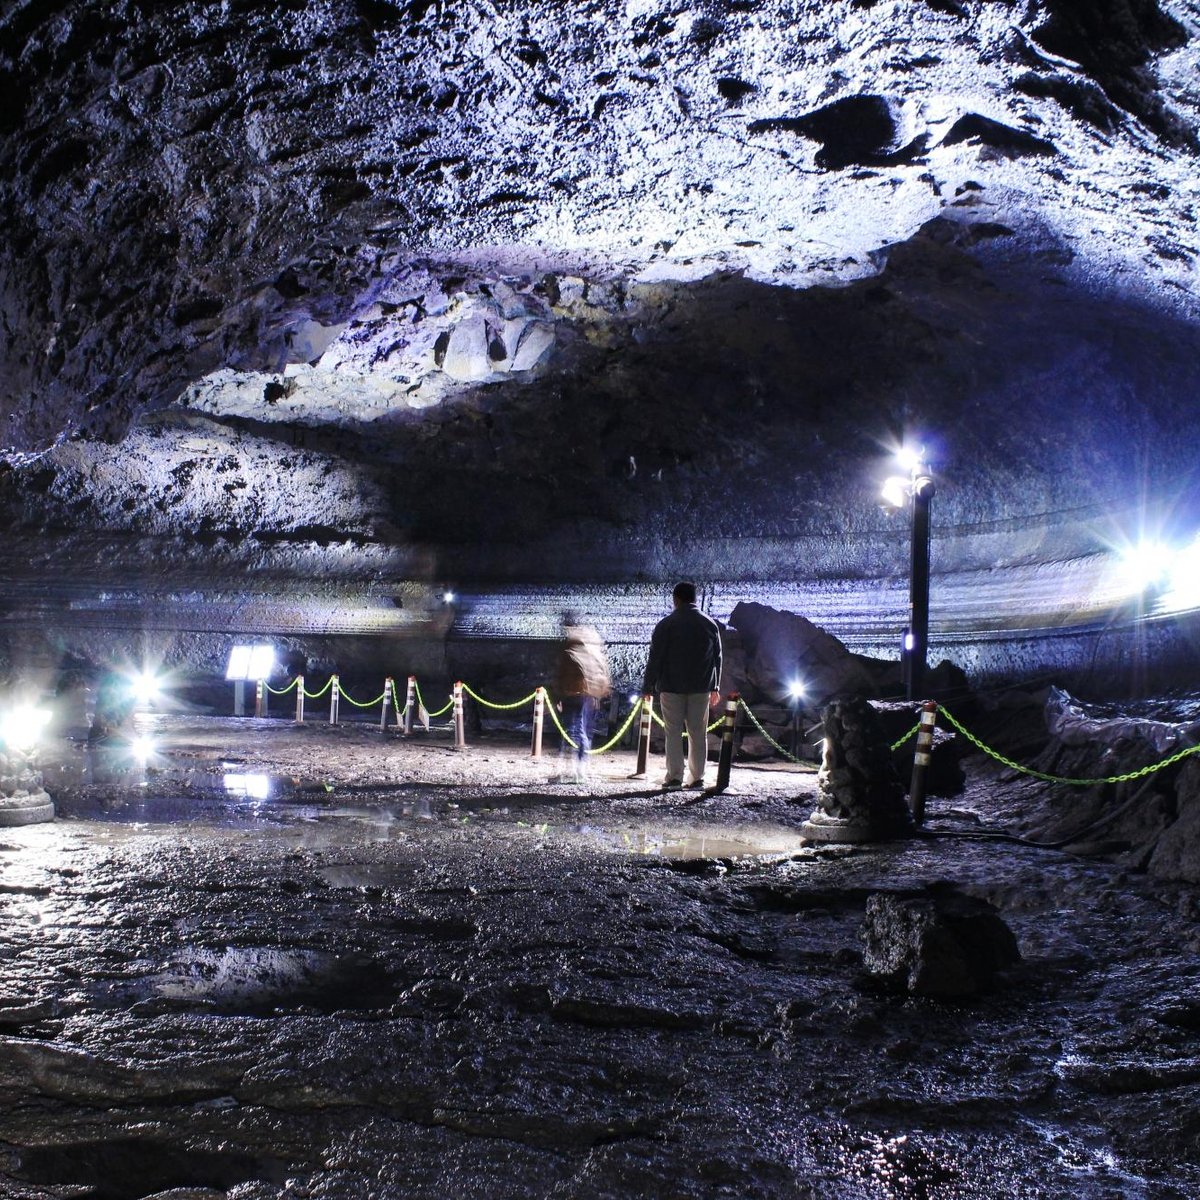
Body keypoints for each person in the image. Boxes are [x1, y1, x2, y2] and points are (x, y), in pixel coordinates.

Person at [642, 581, 723, 790]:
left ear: (675, 599)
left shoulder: (666, 624)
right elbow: (718, 658)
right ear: (695, 599)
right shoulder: (709, 624)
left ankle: (675, 777)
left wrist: (648, 686)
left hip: (671, 687)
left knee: (673, 731)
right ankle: (697, 778)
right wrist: (716, 686)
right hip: (701, 687)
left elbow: (655, 658)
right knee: (698, 732)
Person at [552, 612, 611, 782]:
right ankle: (580, 768)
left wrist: (559, 694)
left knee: (573, 730)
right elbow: (600, 668)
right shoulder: (591, 645)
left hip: (573, 693)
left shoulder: (570, 647)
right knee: (584, 731)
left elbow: (564, 673)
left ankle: (573, 772)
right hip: (589, 694)